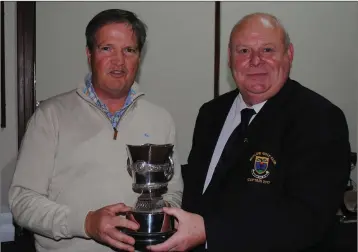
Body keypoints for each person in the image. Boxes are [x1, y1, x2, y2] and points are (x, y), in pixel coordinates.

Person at [147, 12, 351, 252]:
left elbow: (307, 219)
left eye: (267, 50)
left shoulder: (318, 118)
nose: (255, 61)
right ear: (229, 59)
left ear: (289, 54)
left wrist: (209, 231)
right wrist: (155, 198)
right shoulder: (211, 113)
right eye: (243, 51)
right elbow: (204, 184)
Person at [9, 9, 183, 252]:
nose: (118, 61)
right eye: (107, 48)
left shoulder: (161, 120)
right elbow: (23, 201)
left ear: (139, 57)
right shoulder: (50, 117)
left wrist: (157, 221)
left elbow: (173, 192)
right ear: (89, 54)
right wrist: (86, 223)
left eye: (129, 50)